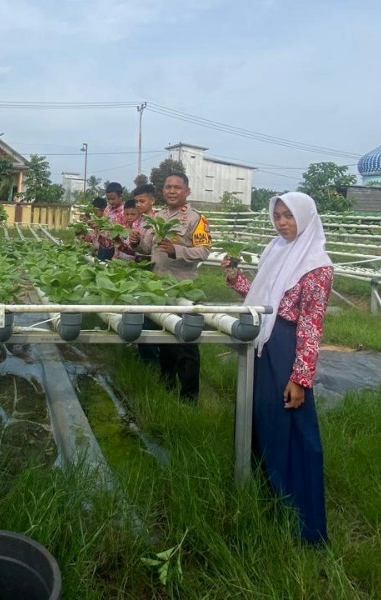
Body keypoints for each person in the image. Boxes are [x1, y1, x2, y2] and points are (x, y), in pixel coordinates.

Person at [222, 191, 333, 544]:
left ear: (306, 217)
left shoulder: (316, 266)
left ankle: (304, 523)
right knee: (264, 424)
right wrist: (235, 277)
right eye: (278, 215)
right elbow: (262, 297)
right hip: (265, 344)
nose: (282, 222)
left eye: (289, 215)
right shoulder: (277, 251)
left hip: (287, 349)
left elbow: (311, 327)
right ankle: (270, 502)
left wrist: (300, 378)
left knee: (293, 433)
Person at [131, 172, 211, 401]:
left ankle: (188, 398)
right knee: (164, 339)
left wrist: (177, 250)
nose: (172, 191)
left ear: (187, 191)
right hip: (159, 287)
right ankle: (166, 388)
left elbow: (204, 250)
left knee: (186, 344)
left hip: (183, 288)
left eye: (177, 187)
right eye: (168, 187)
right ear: (163, 191)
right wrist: (137, 243)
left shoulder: (197, 219)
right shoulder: (158, 217)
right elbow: (148, 249)